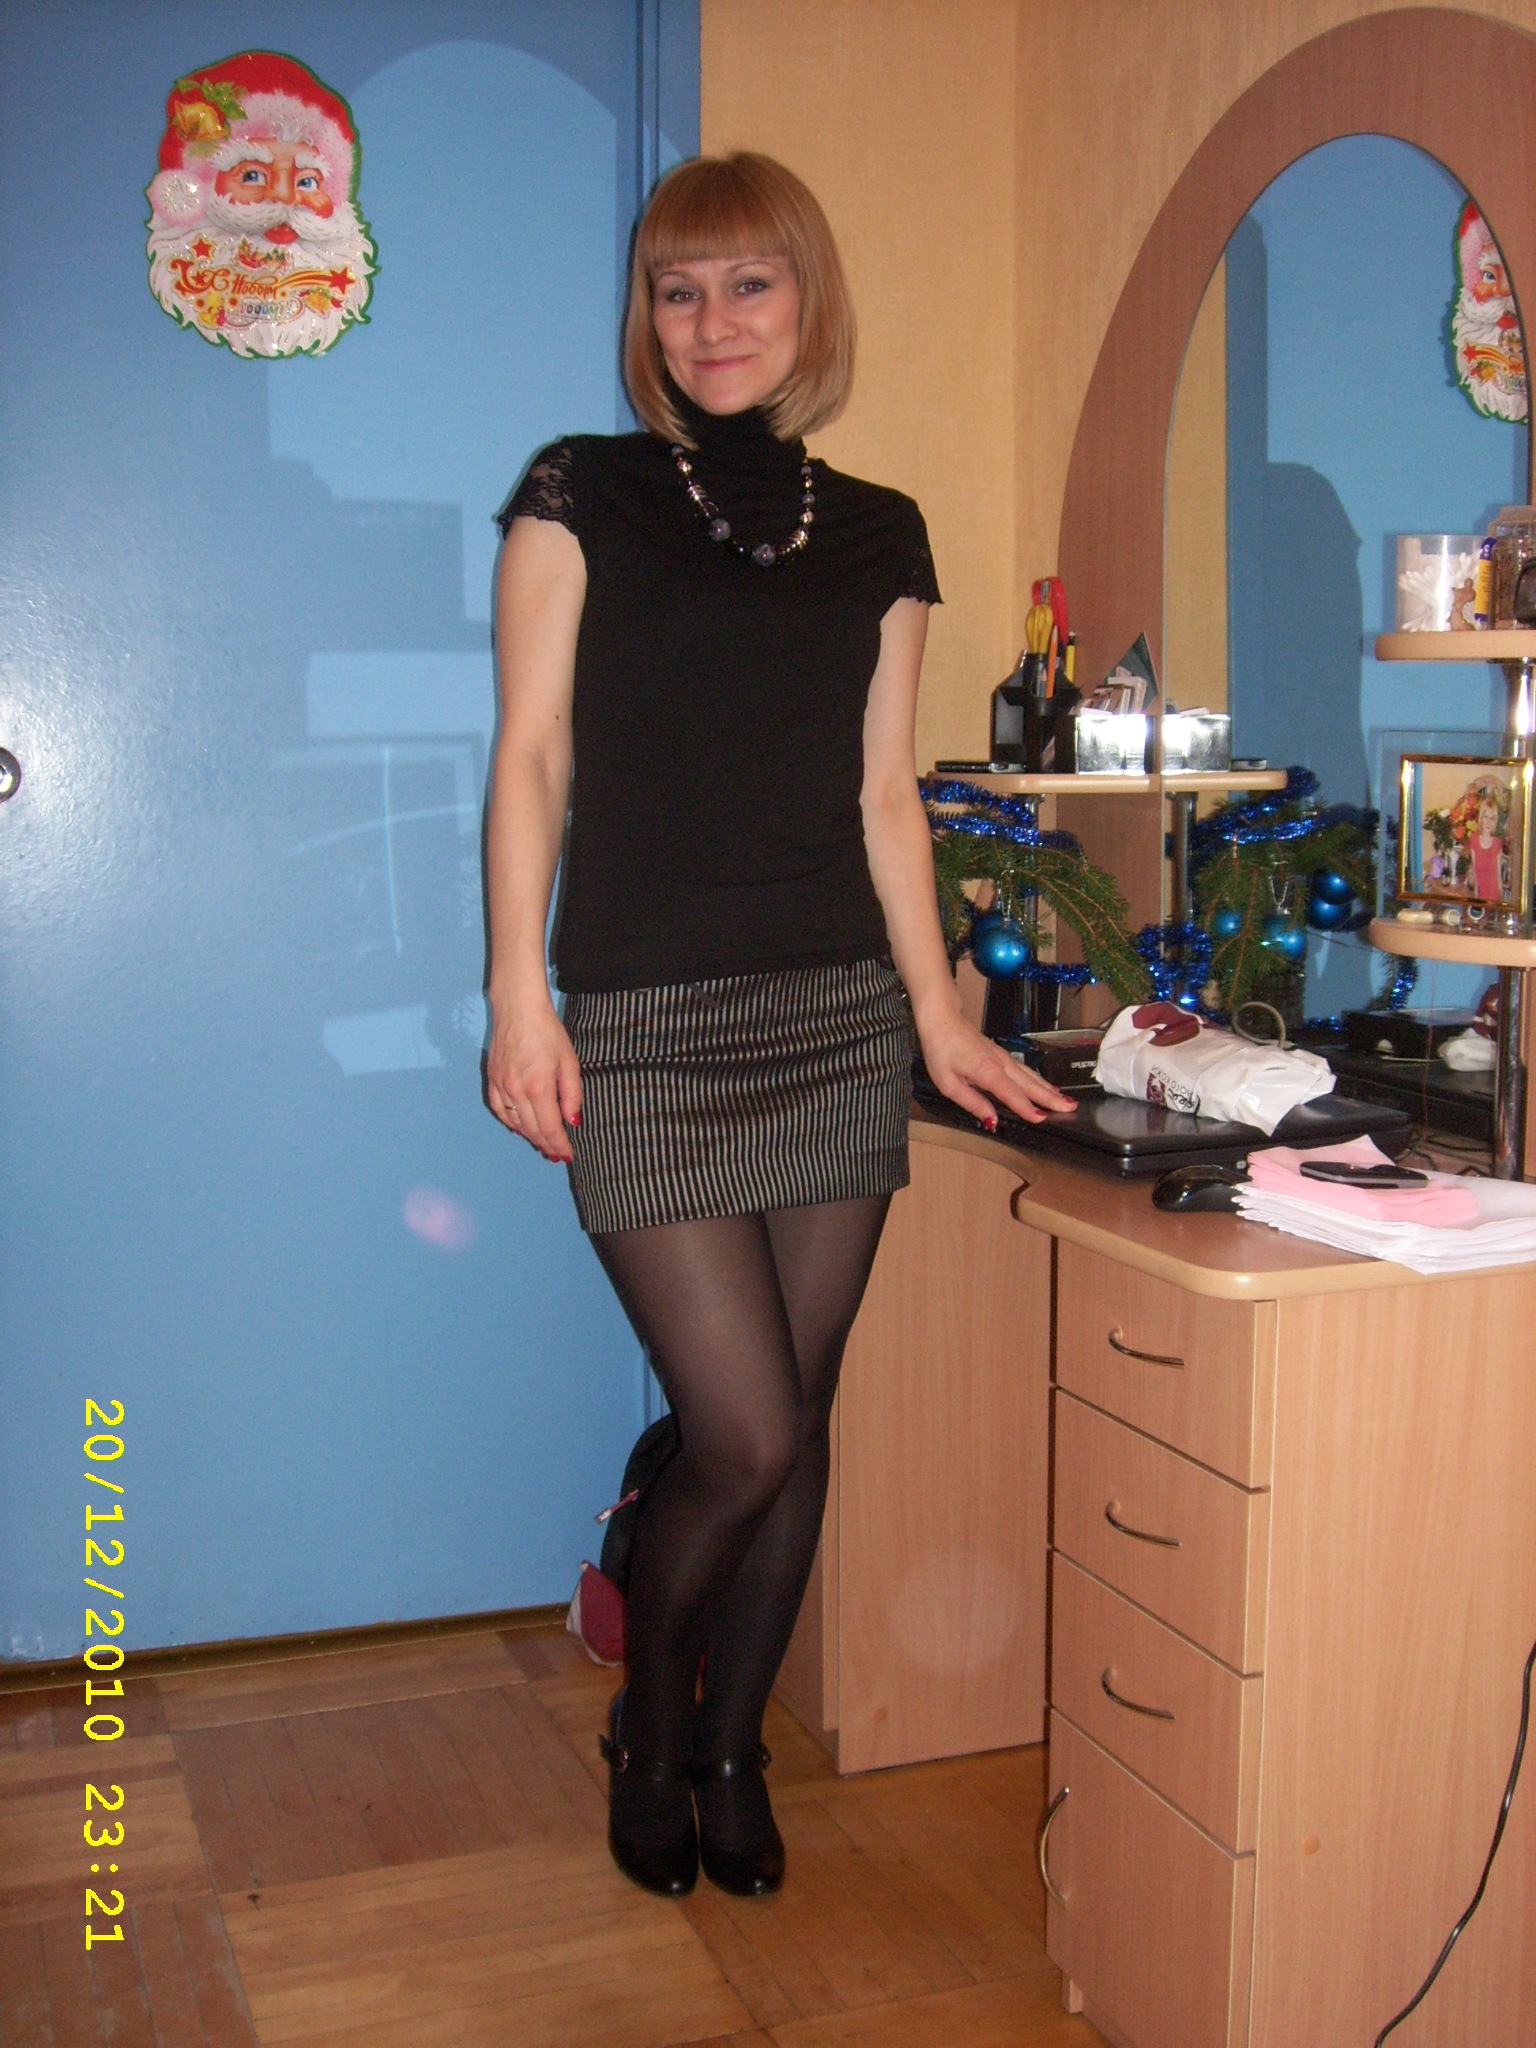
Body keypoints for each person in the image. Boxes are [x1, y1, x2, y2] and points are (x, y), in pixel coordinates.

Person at [485, 152, 1072, 1902]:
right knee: (738, 1433)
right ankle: (648, 1731)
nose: (713, 320)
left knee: (797, 1426)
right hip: (647, 1018)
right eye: (679, 290)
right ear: (648, 319)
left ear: (808, 301)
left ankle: (736, 1748)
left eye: (750, 283)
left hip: (834, 1013)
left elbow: (886, 795)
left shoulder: (880, 530)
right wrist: (518, 992)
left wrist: (937, 1010)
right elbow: (532, 755)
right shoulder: (578, 491)